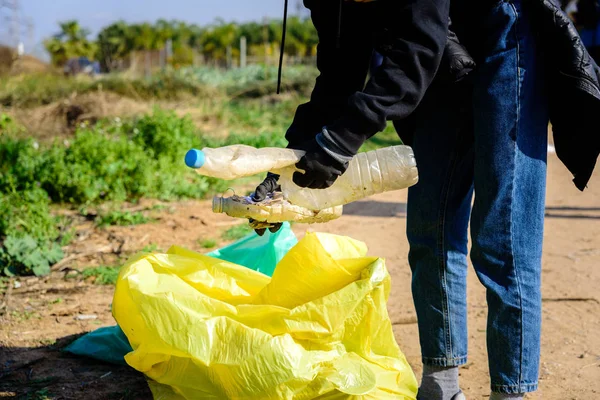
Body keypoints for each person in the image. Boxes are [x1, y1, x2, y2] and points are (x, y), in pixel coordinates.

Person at [252, 1, 600, 399]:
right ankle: (441, 384)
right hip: (441, 52)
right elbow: (338, 75)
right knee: (429, 223)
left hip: (504, 36)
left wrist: (340, 143)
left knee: (502, 233)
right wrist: (286, 172)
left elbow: (417, 48)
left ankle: (511, 391)